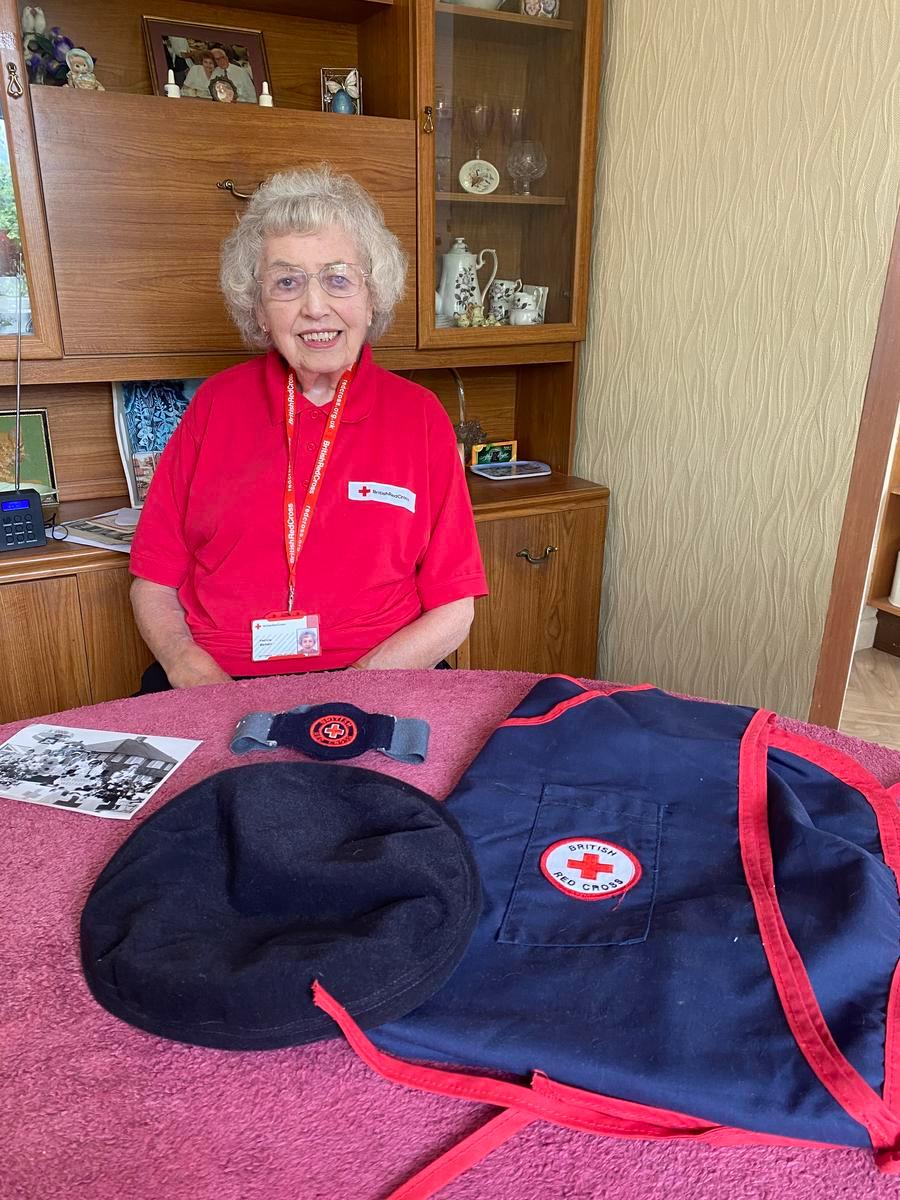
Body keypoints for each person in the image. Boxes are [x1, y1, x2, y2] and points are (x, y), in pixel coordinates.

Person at [130, 166, 487, 690]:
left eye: (338, 278)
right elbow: (153, 579)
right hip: (218, 679)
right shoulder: (214, 405)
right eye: (287, 282)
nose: (315, 307)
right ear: (258, 306)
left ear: (372, 295)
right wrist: (189, 669)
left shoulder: (420, 415)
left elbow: (455, 606)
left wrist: (352, 688)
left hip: (381, 676)